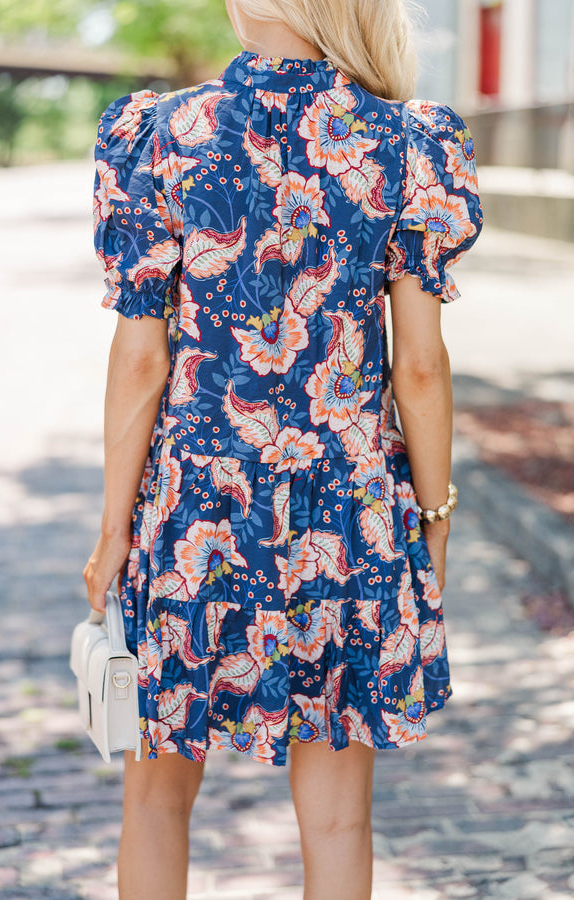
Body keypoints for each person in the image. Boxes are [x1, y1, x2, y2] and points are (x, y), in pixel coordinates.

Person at [83, 0, 483, 897]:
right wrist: (433, 515)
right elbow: (419, 369)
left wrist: (114, 532)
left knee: (155, 798)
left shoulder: (160, 136)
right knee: (338, 817)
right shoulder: (408, 143)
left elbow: (141, 360)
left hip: (196, 515)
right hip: (347, 516)